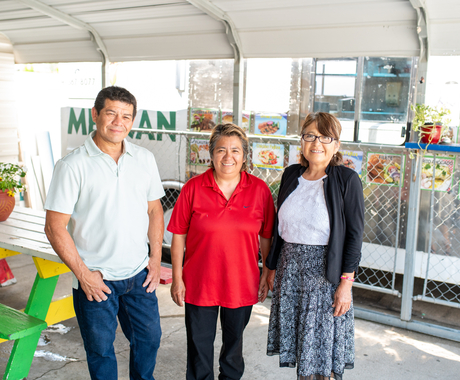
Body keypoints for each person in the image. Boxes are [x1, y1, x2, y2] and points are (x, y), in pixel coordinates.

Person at [44, 86, 165, 380]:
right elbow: (54, 226)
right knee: (100, 352)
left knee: (149, 340)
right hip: (95, 280)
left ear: (132, 120)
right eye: (111, 113)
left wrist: (155, 258)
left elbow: (155, 211)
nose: (118, 122)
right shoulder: (71, 165)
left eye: (126, 116)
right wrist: (83, 274)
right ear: (96, 115)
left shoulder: (144, 159)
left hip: (139, 275)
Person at [167, 123, 275, 380]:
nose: (228, 157)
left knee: (233, 349)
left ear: (245, 156)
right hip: (198, 282)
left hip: (241, 282)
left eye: (235, 150)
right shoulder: (193, 188)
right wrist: (177, 278)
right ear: (211, 153)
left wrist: (265, 273)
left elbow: (267, 237)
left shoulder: (259, 190)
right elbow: (178, 236)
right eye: (221, 150)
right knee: (198, 349)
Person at [265, 112, 364, 380]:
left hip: (325, 278)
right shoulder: (290, 174)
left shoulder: (346, 180)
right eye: (310, 135)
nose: (316, 143)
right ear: (302, 141)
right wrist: (271, 268)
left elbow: (355, 236)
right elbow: (280, 229)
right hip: (290, 273)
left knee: (320, 358)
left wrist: (346, 284)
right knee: (302, 353)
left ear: (336, 145)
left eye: (325, 137)